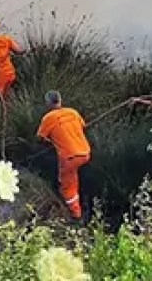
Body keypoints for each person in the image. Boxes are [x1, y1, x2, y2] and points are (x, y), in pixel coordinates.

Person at [36, 90, 91, 220]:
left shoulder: (48, 118)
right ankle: (80, 204)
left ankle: (76, 215)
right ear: (60, 100)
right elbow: (83, 126)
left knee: (66, 187)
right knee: (73, 178)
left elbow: (40, 138)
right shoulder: (73, 112)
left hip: (70, 157)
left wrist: (50, 142)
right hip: (85, 153)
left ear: (48, 103)